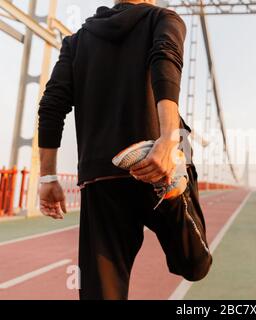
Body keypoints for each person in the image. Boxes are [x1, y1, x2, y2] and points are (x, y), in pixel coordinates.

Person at [37, 0, 212, 300]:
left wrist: (47, 178)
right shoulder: (164, 18)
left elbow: (52, 105)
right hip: (162, 171)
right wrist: (169, 140)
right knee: (195, 265)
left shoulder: (76, 42)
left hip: (101, 179)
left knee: (101, 294)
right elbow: (165, 61)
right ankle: (177, 184)